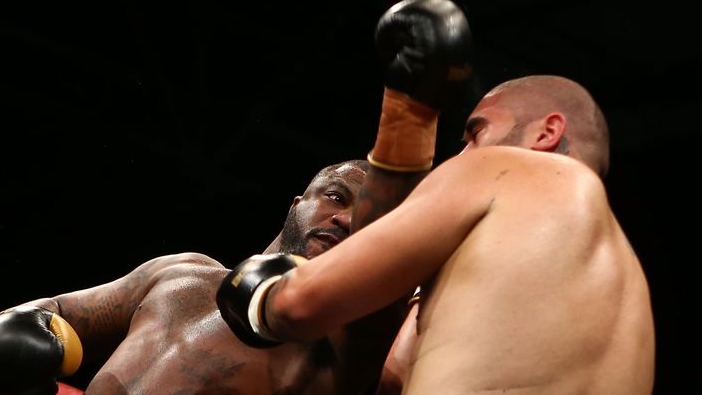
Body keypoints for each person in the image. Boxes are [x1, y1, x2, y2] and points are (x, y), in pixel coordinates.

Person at [217, 74, 656, 395]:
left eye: (476, 132)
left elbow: (300, 304)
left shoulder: (506, 168)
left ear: (547, 132)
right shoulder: (631, 291)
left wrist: (261, 297)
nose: (463, 154)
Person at [0, 158, 411, 395]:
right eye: (336, 197)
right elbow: (56, 310)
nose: (346, 220)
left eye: (368, 221)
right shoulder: (181, 273)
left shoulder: (342, 341)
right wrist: (22, 328)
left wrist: (408, 106)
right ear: (297, 204)